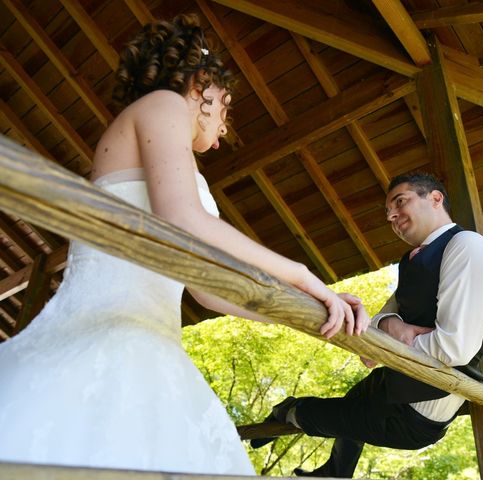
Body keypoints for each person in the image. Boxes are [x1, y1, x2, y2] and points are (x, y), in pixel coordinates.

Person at [0, 14, 368, 476]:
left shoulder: (160, 128)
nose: (225, 131)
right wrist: (301, 274)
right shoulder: (165, 104)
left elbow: (209, 291)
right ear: (202, 86)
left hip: (149, 343)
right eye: (227, 107)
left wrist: (316, 314)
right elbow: (184, 220)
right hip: (112, 335)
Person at [252, 173, 483, 478]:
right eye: (388, 213)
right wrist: (395, 326)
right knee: (351, 404)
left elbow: (455, 347)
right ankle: (335, 470)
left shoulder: (467, 246)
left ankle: (288, 411)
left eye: (400, 202)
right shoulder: (412, 262)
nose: (392, 216)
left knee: (321, 416)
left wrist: (394, 342)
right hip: (393, 382)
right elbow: (375, 329)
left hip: (422, 409)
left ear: (435, 199)